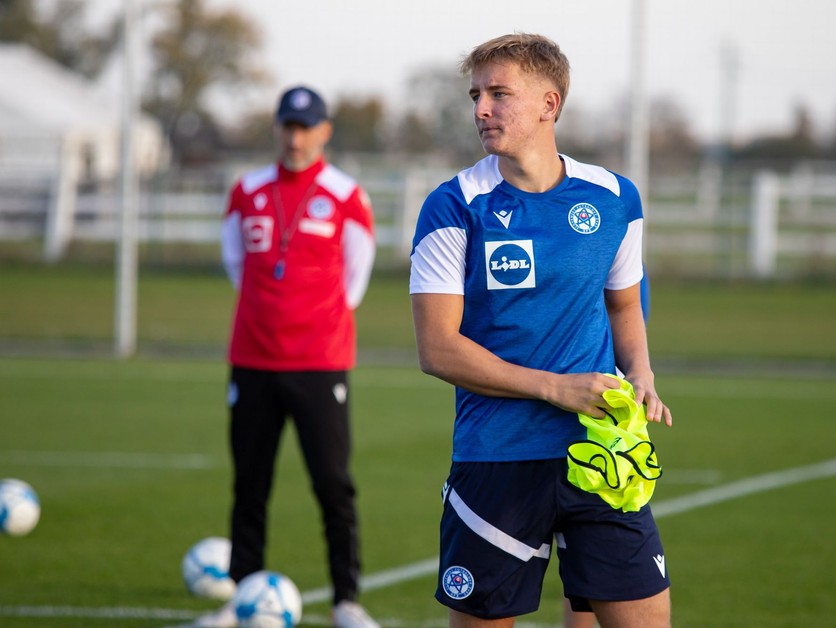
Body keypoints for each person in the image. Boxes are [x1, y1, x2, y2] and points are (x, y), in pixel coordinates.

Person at [409, 33, 673, 628]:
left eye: (499, 94)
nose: (481, 109)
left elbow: (625, 308)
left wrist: (642, 375)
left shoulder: (613, 199)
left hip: (602, 454)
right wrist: (557, 388)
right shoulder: (453, 206)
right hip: (496, 460)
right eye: (476, 95)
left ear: (549, 105)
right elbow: (438, 349)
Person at [195, 86, 379, 628]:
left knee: (332, 483)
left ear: (323, 131)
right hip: (252, 360)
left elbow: (355, 279)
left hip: (320, 362)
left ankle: (346, 599)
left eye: (306, 127)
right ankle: (241, 595)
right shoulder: (246, 190)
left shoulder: (346, 195)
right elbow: (236, 263)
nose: (295, 137)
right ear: (277, 129)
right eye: (287, 126)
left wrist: (312, 322)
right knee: (249, 484)